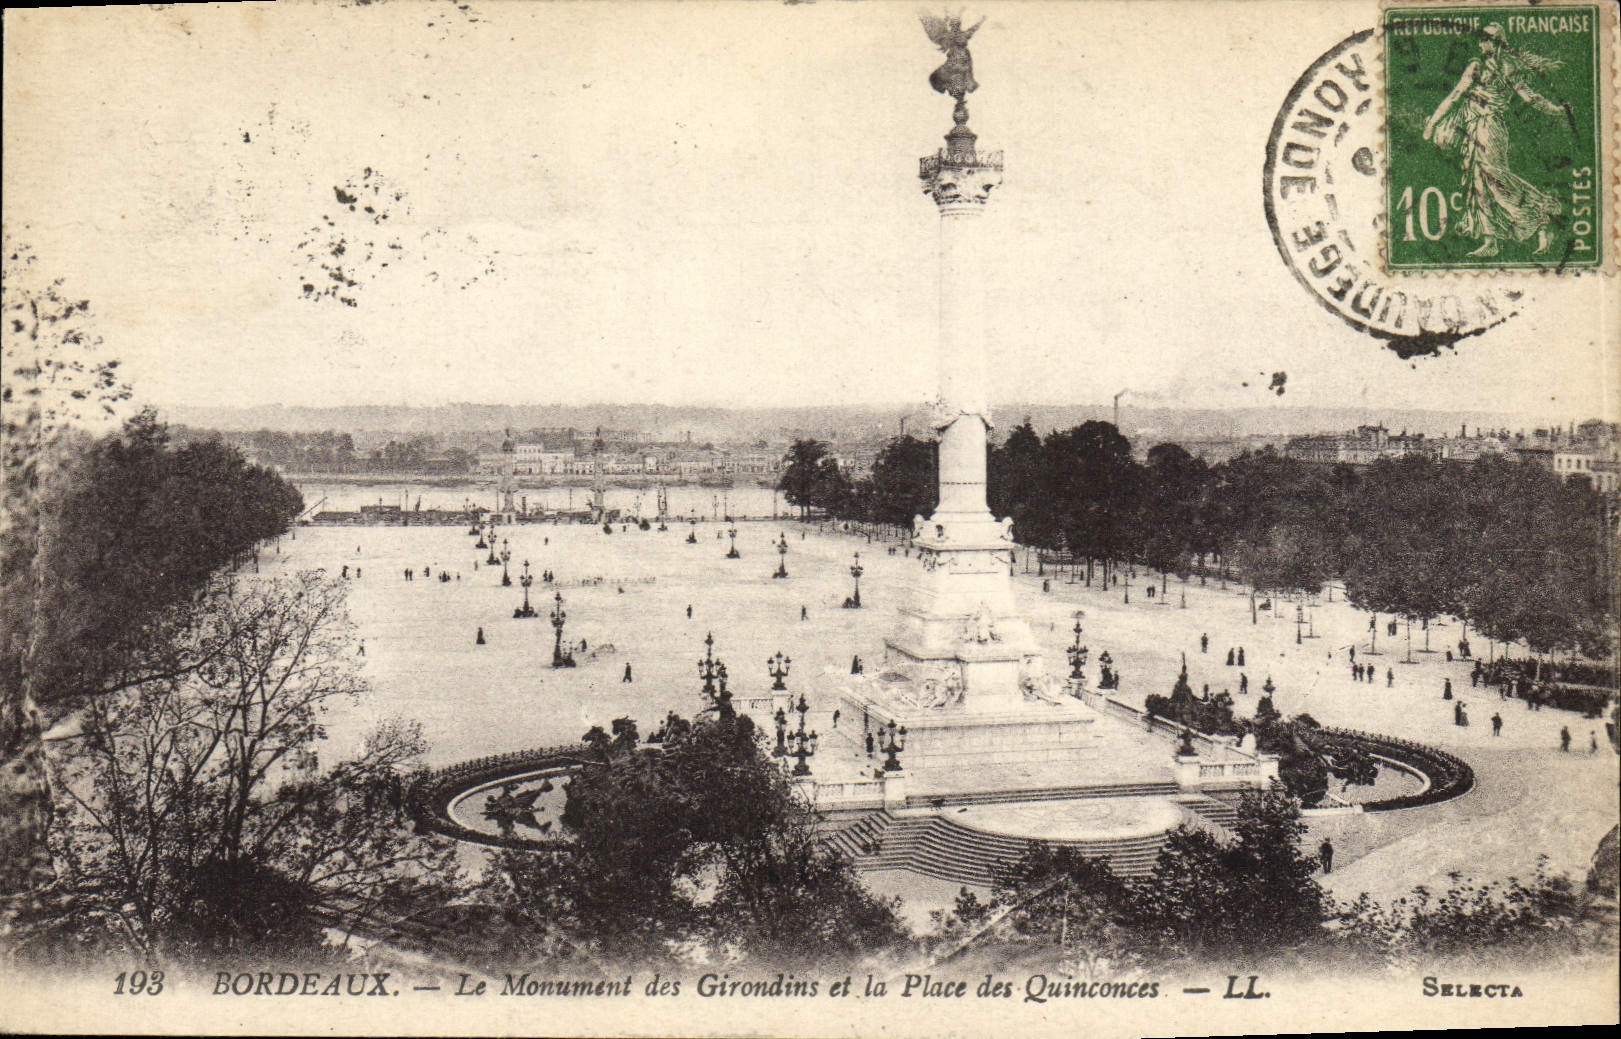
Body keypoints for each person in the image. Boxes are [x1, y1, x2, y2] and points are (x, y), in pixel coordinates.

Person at [1422, 22, 1566, 258]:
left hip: (1492, 127)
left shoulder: (1509, 68)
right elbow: (1455, 95)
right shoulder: (1477, 66)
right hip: (1472, 127)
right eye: (1482, 39)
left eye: (1487, 38)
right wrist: (1432, 123)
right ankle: (1491, 240)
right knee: (1478, 180)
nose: (1482, 42)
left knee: (1494, 175)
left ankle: (1542, 212)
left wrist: (1557, 110)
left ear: (1498, 41)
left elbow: (1531, 99)